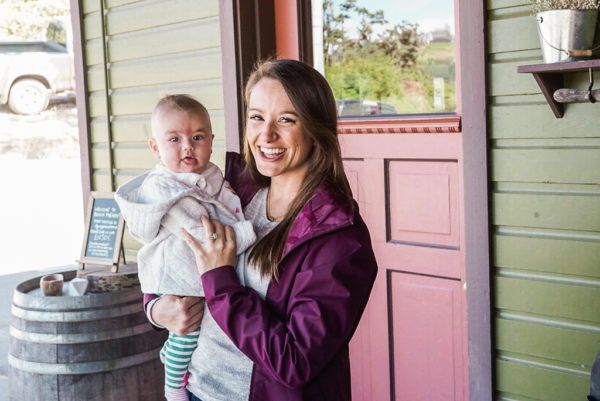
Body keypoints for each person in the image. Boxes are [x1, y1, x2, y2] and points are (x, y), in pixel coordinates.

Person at [146, 59, 378, 401]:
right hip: (197, 389)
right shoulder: (229, 189)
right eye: (257, 117)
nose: (266, 135)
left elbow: (295, 362)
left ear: (315, 127)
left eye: (286, 119)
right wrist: (156, 308)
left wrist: (221, 280)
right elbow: (171, 250)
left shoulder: (339, 238)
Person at [114, 94, 256, 401]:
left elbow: (226, 208)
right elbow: (200, 233)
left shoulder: (212, 175)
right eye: (174, 139)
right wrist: (248, 234)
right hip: (182, 274)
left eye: (197, 137)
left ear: (211, 140)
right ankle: (174, 386)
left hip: (209, 277)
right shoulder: (164, 188)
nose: (188, 146)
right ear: (155, 148)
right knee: (187, 331)